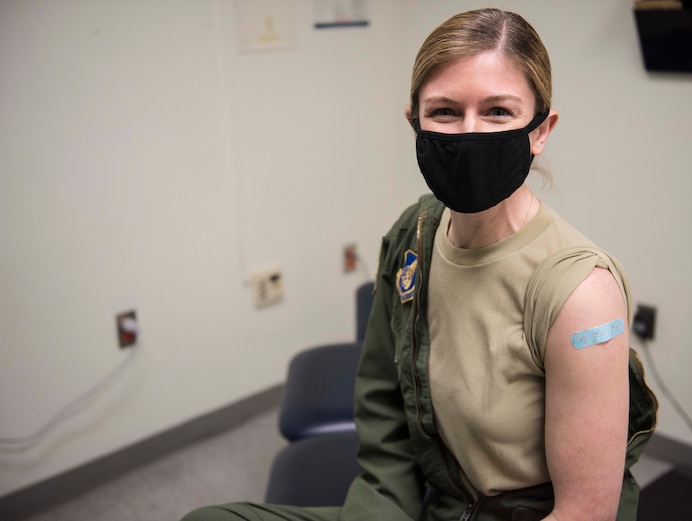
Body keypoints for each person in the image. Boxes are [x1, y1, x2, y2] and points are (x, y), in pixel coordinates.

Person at [182, 8, 657, 521]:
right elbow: (384, 411)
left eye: (498, 111)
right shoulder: (416, 235)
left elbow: (585, 514)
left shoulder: (581, 294)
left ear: (541, 130)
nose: (469, 133)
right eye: (445, 112)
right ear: (415, 124)